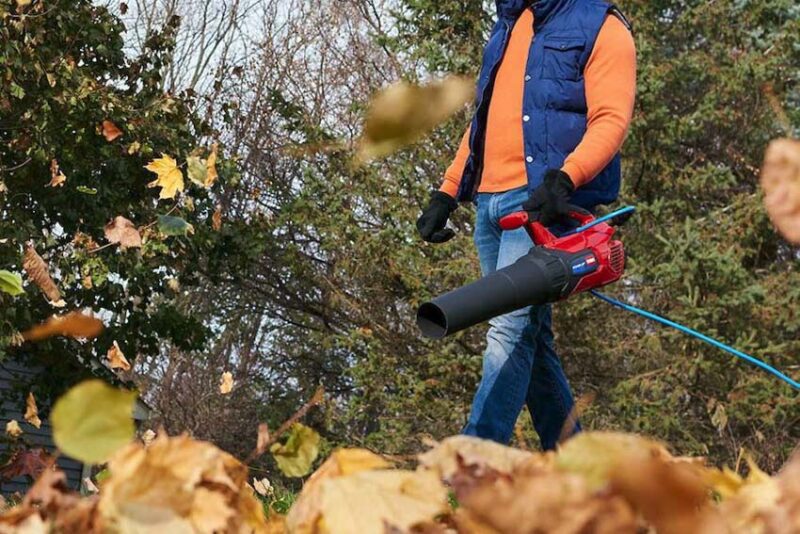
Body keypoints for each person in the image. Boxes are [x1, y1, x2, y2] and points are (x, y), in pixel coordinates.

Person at [416, 0, 637, 450]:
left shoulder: (601, 24)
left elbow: (611, 118)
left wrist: (567, 177)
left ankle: (473, 463)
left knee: (508, 330)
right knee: (532, 342)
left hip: (540, 209)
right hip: (490, 207)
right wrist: (448, 189)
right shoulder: (508, 26)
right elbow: (482, 123)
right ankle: (576, 466)